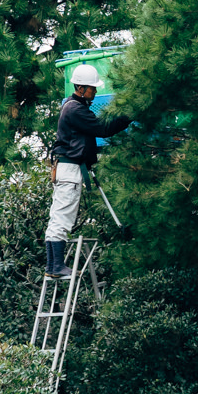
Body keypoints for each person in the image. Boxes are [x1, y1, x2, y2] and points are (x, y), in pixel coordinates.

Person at [42, 63, 131, 278]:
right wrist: (129, 114)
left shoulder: (73, 107)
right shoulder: (75, 109)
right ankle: (55, 267)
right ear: (81, 88)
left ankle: (54, 266)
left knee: (59, 217)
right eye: (92, 88)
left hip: (70, 169)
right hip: (70, 170)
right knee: (61, 219)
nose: (96, 91)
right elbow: (104, 128)